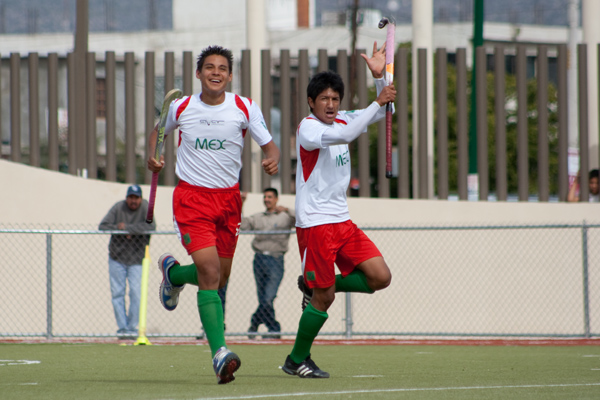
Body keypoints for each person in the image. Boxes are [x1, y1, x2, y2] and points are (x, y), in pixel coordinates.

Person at [146, 45, 280, 385]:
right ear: (198, 73)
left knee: (218, 277)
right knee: (209, 272)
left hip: (229, 201)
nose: (215, 72)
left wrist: (272, 160)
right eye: (209, 67)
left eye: (222, 68)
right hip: (192, 199)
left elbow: (270, 146)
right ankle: (220, 352)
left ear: (230, 75)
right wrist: (154, 156)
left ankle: (174, 275)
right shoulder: (183, 106)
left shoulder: (244, 107)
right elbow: (157, 133)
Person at [282, 42, 396, 379]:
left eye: (335, 99)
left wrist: (379, 78)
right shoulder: (309, 129)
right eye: (324, 100)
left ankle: (315, 284)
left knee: (380, 277)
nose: (331, 105)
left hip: (341, 220)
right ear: (311, 102)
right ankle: (296, 359)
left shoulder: (344, 117)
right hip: (315, 222)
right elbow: (349, 131)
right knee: (326, 299)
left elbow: (380, 112)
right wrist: (377, 98)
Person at [98, 184, 155, 338]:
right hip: (117, 258)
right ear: (126, 197)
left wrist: (129, 228)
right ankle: (123, 329)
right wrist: (118, 227)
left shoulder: (145, 208)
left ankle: (131, 329)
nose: (133, 201)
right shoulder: (118, 208)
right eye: (131, 197)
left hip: (137, 258)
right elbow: (102, 226)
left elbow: (152, 227)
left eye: (136, 198)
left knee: (136, 293)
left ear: (140, 198)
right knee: (117, 293)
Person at [240, 188, 295, 339]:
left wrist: (288, 209)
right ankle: (272, 330)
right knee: (263, 298)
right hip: (259, 260)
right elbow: (242, 225)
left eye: (270, 197)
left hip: (276, 259)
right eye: (265, 197)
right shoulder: (259, 217)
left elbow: (302, 219)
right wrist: (241, 204)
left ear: (276, 199)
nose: (267, 200)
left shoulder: (285, 217)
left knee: (268, 297)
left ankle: (260, 325)